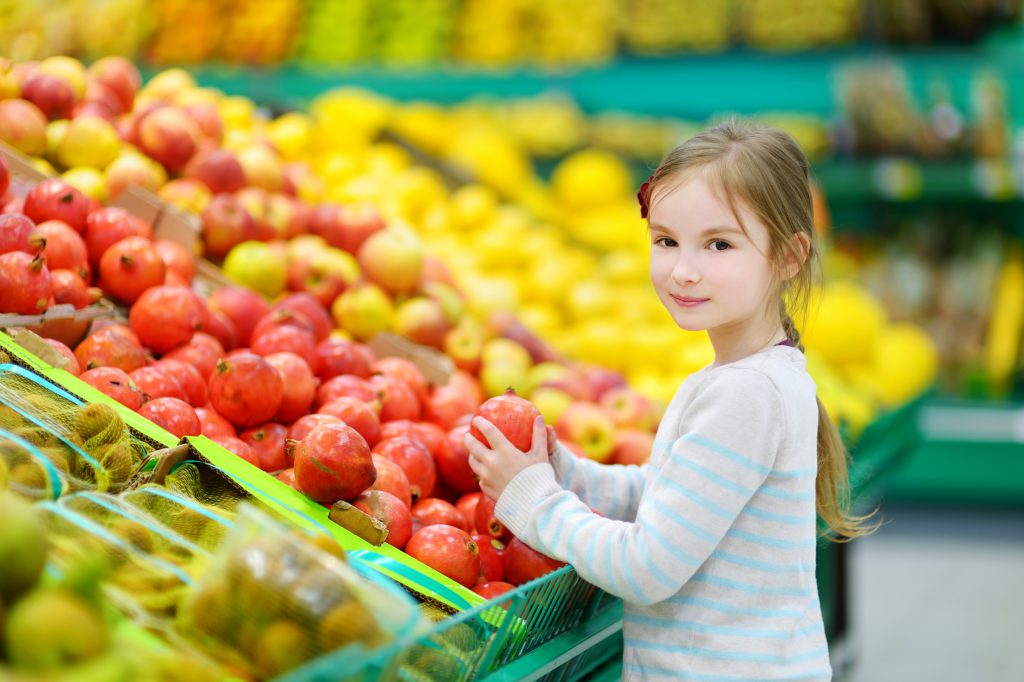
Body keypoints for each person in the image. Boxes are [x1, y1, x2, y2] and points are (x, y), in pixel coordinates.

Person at [465, 119, 876, 681]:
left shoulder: (745, 394)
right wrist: (566, 473)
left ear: (788, 256)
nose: (684, 270)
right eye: (666, 241)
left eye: (719, 244)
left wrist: (533, 501)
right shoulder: (749, 376)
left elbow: (647, 568)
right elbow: (671, 493)